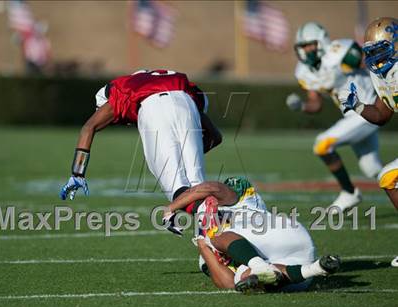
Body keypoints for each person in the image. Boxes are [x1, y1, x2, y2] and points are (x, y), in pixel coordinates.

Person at [59, 69, 222, 205]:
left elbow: (88, 128)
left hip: (152, 107)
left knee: (177, 189)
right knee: (198, 187)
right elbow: (215, 137)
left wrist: (77, 173)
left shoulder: (122, 90)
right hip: (187, 102)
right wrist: (193, 151)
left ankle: (211, 229)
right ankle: (222, 225)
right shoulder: (170, 82)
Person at [166, 177, 340, 292]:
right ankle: (317, 268)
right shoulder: (204, 240)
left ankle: (258, 265)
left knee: (217, 237)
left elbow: (211, 187)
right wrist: (203, 247)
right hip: (296, 274)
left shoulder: (236, 200)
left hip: (277, 232)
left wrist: (170, 208)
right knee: (244, 278)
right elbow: (228, 284)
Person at [286, 22, 383, 211]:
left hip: (369, 108)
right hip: (353, 116)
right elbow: (316, 104)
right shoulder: (304, 71)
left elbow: (373, 65)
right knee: (372, 168)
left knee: (322, 144)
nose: (305, 51)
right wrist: (302, 106)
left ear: (321, 42)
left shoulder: (339, 52)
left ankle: (349, 192)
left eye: (309, 45)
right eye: (302, 47)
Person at [338, 17, 397, 268]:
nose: (376, 59)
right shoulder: (383, 76)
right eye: (371, 53)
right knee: (387, 177)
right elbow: (383, 114)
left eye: (381, 51)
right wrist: (358, 105)